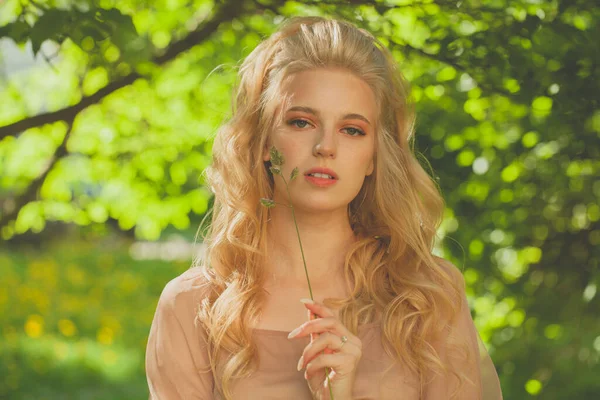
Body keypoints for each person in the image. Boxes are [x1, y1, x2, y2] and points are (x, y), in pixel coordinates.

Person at [145, 16, 503, 400]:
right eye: (301, 122)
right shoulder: (192, 306)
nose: (325, 147)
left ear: (373, 159)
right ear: (264, 143)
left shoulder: (427, 298)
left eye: (352, 130)